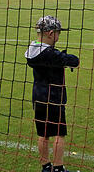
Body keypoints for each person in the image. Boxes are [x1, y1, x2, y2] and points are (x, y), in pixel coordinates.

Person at [25, 16, 79, 172]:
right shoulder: (50, 54)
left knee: (43, 133)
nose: (58, 36)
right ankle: (58, 167)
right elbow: (73, 60)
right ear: (50, 33)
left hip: (38, 97)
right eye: (58, 33)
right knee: (58, 134)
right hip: (54, 98)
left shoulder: (33, 50)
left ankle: (46, 166)